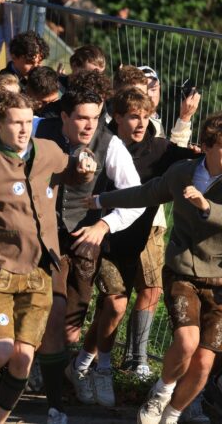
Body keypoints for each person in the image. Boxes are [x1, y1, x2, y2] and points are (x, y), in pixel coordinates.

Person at [0, 91, 96, 424]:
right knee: (0, 351)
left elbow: (71, 170)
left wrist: (83, 163)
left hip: (39, 270)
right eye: (15, 123)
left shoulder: (47, 151)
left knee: (23, 359)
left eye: (27, 122)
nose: (23, 130)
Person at [85, 113, 222, 424]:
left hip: (219, 281)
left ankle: (173, 414)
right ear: (208, 146)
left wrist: (206, 207)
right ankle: (161, 393)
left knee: (203, 362)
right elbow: (144, 193)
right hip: (183, 271)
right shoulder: (182, 173)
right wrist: (100, 199)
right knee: (187, 342)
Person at [79, 87, 198, 405]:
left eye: (145, 116)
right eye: (133, 116)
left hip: (132, 242)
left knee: (110, 309)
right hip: (97, 239)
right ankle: (100, 369)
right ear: (117, 116)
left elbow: (193, 159)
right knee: (115, 304)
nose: (140, 122)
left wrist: (193, 130)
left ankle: (79, 366)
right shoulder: (100, 144)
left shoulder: (157, 149)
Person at [34, 88, 143, 423]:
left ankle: (58, 370)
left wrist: (105, 226)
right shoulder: (39, 129)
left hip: (83, 240)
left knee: (70, 326)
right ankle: (42, 375)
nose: (89, 125)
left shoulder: (111, 145)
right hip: (43, 238)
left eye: (95, 117)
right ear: (65, 116)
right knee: (49, 310)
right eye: (81, 117)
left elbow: (135, 197)